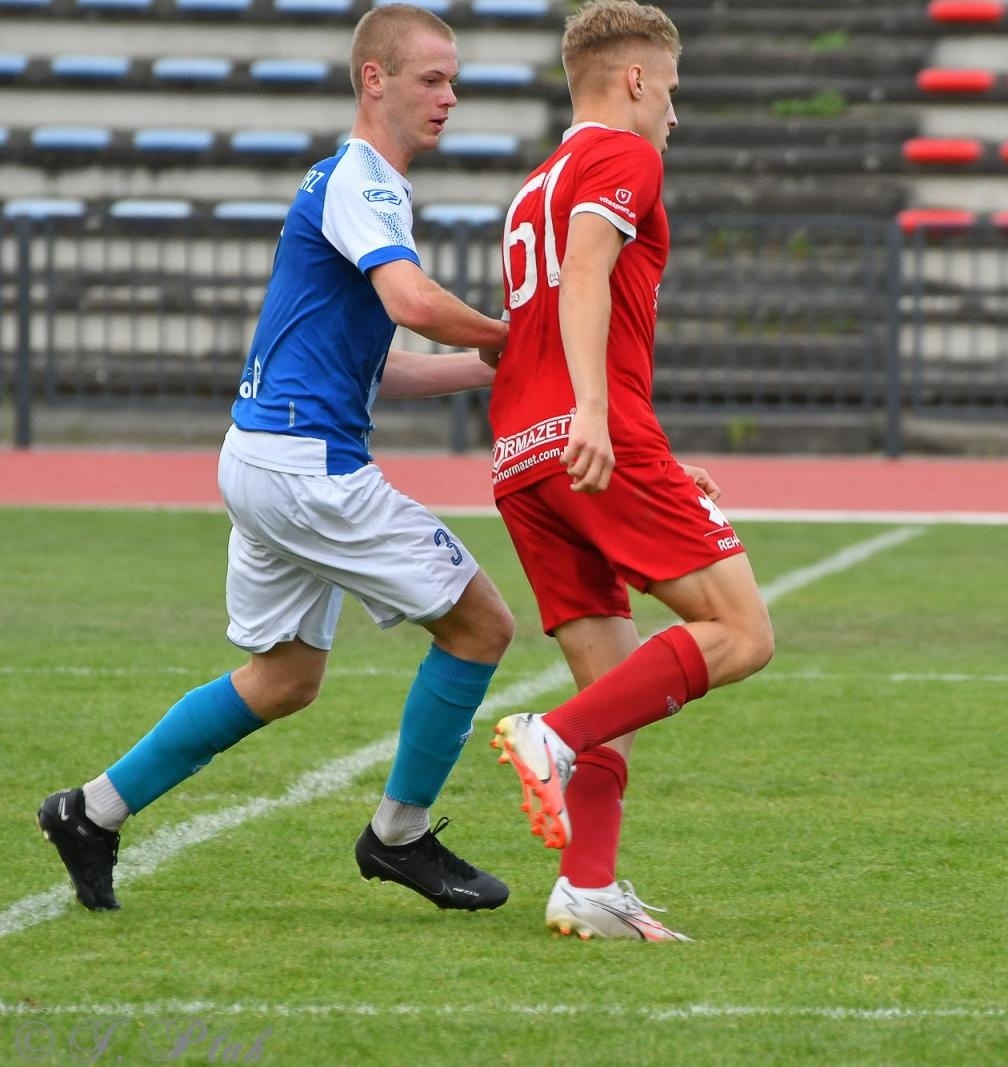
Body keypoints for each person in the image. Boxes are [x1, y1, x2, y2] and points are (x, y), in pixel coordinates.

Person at [36, 4, 518, 914]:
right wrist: (510, 333)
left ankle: (89, 812)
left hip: (262, 453)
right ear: (373, 79)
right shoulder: (366, 181)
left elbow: (382, 367)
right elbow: (412, 299)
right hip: (305, 467)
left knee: (284, 678)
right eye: (432, 78)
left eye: (455, 80)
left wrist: (492, 362)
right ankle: (399, 837)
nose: (449, 96)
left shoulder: (348, 182)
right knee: (483, 626)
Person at [485, 0, 774, 943]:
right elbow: (586, 273)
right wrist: (604, 421)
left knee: (621, 688)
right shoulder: (624, 156)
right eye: (673, 92)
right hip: (583, 440)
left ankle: (588, 886)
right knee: (740, 631)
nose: (675, 116)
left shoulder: (539, 180)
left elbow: (551, 313)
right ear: (636, 80)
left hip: (523, 457)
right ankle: (550, 737)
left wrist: (635, 431)